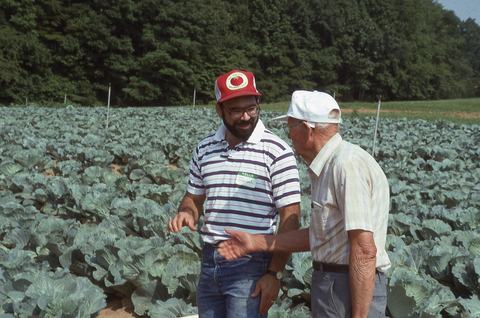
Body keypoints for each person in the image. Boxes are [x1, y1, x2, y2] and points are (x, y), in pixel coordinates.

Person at [217, 90, 391, 318]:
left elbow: (364, 249)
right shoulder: (329, 165)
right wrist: (255, 242)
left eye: (291, 126)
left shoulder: (346, 165)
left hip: (348, 286)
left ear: (308, 130)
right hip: (333, 284)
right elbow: (322, 236)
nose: (289, 135)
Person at [168, 69, 301, 318]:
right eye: (236, 110)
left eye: (251, 108)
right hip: (210, 261)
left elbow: (291, 216)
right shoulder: (204, 148)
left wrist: (274, 274)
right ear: (219, 110)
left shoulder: (277, 151)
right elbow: (194, 198)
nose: (245, 116)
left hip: (251, 265)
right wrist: (187, 211)